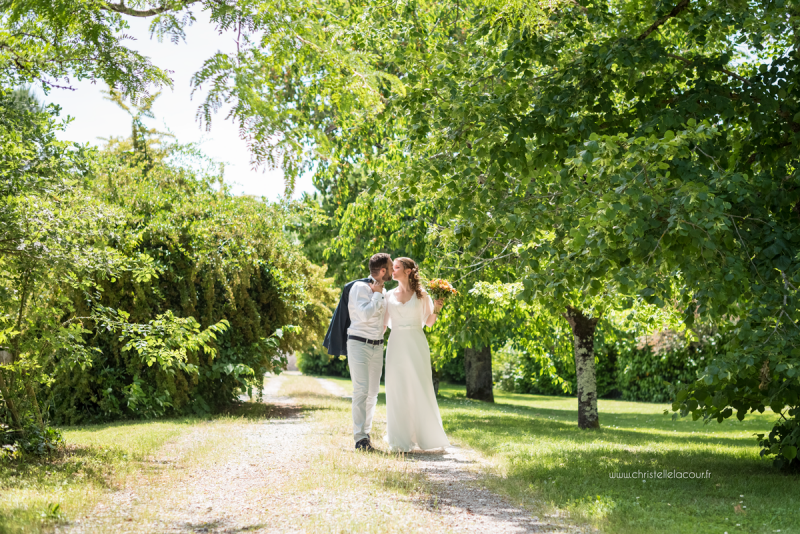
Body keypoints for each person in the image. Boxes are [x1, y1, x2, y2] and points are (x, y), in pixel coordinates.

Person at [323, 252, 393, 451]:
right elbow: (363, 315)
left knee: (372, 393)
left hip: (377, 345)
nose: (391, 271)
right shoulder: (360, 288)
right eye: (389, 267)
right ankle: (359, 439)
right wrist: (378, 295)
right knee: (361, 391)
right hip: (359, 344)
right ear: (382, 271)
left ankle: (366, 434)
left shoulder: (383, 291)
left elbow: (382, 320)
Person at [384, 257, 450, 452]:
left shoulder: (422, 296)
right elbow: (383, 324)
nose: (392, 270)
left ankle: (426, 436)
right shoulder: (387, 296)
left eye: (396, 267)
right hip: (396, 343)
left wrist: (437, 308)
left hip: (416, 343)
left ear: (408, 271)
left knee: (419, 387)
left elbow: (429, 323)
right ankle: (400, 440)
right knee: (397, 388)